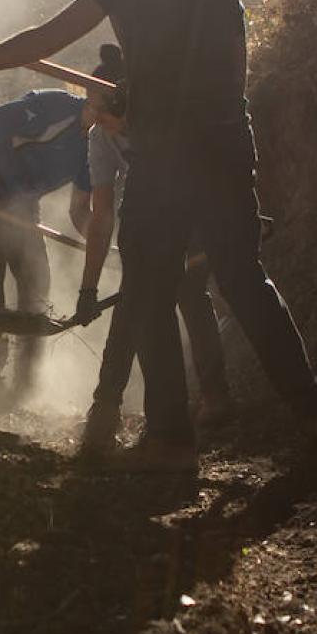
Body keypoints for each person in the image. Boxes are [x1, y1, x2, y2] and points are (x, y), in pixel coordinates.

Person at [0, 0, 317, 473]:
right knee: (245, 279)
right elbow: (235, 81)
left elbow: (49, 37)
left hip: (165, 152)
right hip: (227, 145)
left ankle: (170, 440)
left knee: (148, 287)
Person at [71, 44, 234, 461]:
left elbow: (214, 175)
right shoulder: (99, 139)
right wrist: (87, 289)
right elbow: (101, 213)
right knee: (133, 306)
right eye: (90, 108)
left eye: (99, 108)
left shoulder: (170, 120)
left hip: (192, 215)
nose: (93, 118)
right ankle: (105, 414)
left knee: (190, 298)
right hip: (147, 219)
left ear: (128, 102)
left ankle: (215, 398)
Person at [0, 87, 93, 408]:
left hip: (22, 205)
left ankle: (24, 385)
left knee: (36, 281)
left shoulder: (95, 144)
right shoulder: (53, 106)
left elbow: (80, 211)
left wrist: (102, 246)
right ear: (96, 99)